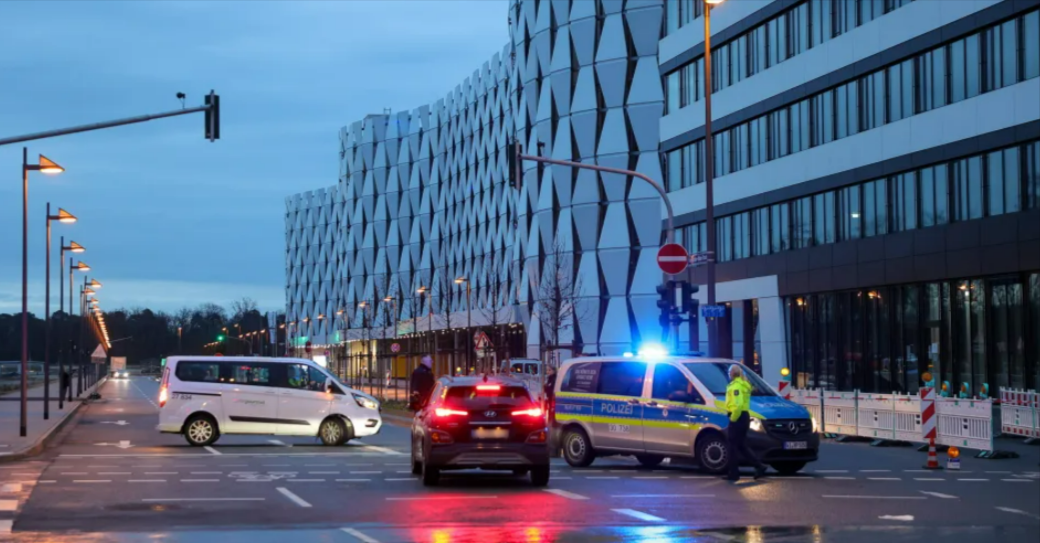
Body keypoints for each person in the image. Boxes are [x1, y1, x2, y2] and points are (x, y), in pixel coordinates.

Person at [725, 364, 767, 481]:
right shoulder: (744, 385)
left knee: (732, 446)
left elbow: (737, 405)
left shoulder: (735, 387)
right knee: (742, 445)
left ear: (733, 373)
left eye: (729, 372)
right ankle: (759, 466)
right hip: (744, 417)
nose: (729, 374)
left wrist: (733, 418)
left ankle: (733, 474)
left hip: (737, 417)